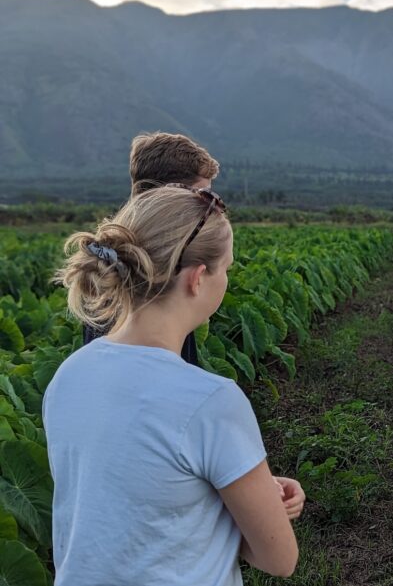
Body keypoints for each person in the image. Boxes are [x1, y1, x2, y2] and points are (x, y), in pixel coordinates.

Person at [46, 185, 303, 585]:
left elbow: (123, 503)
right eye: (227, 268)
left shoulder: (70, 373)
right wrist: (260, 506)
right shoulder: (211, 400)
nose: (227, 279)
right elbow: (278, 558)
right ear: (198, 278)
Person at [82, 131, 222, 365]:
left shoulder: (111, 252)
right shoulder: (145, 262)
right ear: (170, 197)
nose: (208, 209)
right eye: (202, 196)